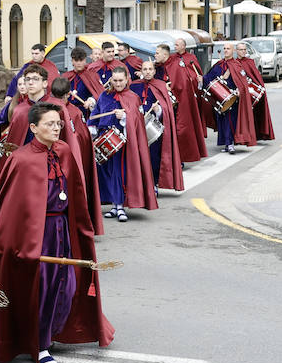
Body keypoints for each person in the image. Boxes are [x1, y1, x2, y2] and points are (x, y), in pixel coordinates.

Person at [0, 102, 113, 363]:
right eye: (50, 124)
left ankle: (50, 333)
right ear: (33, 128)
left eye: (58, 124)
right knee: (40, 288)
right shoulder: (20, 159)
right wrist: (17, 243)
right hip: (35, 234)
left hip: (61, 230)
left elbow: (76, 195)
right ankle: (39, 344)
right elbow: (11, 208)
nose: (56, 128)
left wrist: (80, 229)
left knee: (64, 285)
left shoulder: (64, 151)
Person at [88, 64, 158, 221]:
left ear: (127, 80)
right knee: (108, 174)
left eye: (120, 80)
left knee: (120, 173)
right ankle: (114, 205)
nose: (118, 84)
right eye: (115, 81)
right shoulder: (104, 96)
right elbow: (95, 114)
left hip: (123, 142)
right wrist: (91, 128)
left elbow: (138, 120)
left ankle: (120, 206)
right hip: (105, 140)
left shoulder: (133, 97)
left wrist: (126, 117)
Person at [48, 76, 104, 235]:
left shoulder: (49, 109)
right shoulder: (72, 111)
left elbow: (81, 138)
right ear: (68, 94)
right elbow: (83, 139)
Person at [131, 59, 183, 192]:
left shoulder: (161, 85)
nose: (148, 72)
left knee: (154, 156)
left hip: (154, 127)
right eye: (145, 69)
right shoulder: (134, 85)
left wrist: (158, 110)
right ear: (141, 71)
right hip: (137, 126)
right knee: (138, 157)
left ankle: (154, 183)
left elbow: (167, 108)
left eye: (150, 69)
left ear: (154, 71)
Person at [202, 42, 256, 154]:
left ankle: (230, 143)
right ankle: (226, 143)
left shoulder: (236, 65)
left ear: (233, 51)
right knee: (222, 121)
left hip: (232, 99)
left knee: (231, 121)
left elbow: (243, 82)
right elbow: (208, 78)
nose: (226, 50)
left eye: (228, 48)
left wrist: (238, 90)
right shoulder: (219, 64)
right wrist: (201, 79)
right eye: (224, 48)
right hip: (220, 99)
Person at [0, 64, 49, 154]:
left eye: (34, 79)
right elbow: (0, 119)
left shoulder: (51, 106)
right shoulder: (14, 105)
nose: (23, 86)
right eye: (20, 84)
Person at [163, 40, 208, 164]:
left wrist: (198, 80)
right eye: (175, 44)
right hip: (178, 96)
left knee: (191, 124)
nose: (175, 46)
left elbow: (197, 74)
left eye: (177, 45)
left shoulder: (191, 58)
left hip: (191, 96)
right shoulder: (172, 59)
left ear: (183, 46)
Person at [235, 40, 275, 142]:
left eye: (244, 50)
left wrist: (259, 87)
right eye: (241, 50)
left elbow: (256, 77)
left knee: (254, 114)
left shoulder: (249, 62)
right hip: (239, 94)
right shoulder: (234, 63)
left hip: (250, 92)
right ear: (236, 51)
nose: (243, 52)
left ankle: (256, 135)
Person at [68, 47, 106, 115]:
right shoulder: (67, 76)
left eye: (81, 60)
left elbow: (100, 93)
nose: (79, 63)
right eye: (76, 60)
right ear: (72, 61)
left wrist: (91, 101)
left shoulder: (92, 75)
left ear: (85, 60)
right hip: (69, 112)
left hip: (86, 113)